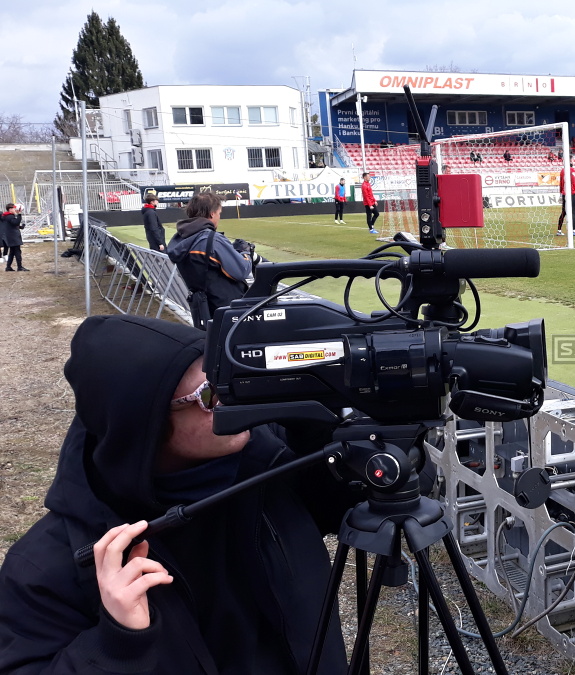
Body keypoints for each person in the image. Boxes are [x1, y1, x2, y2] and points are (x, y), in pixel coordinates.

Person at [0, 314, 354, 674]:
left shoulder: (272, 459)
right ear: (144, 423)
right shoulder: (47, 567)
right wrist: (117, 644)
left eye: (231, 381)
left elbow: (348, 507)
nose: (233, 403)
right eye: (209, 395)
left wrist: (322, 432)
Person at [166, 192, 253, 329]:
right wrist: (245, 252)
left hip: (202, 308)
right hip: (226, 309)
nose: (219, 217)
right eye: (219, 213)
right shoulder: (212, 239)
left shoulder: (180, 239)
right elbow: (242, 270)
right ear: (212, 214)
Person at [1, 203, 27, 271]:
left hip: (11, 237)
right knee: (17, 252)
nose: (15, 209)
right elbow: (16, 222)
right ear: (10, 209)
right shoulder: (9, 216)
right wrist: (19, 214)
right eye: (13, 208)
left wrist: (20, 227)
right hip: (13, 237)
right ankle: (20, 267)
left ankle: (8, 267)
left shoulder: (7, 216)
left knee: (12, 252)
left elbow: (12, 225)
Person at [556, 167, 575, 237]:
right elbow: (574, 183)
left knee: (563, 212)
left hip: (564, 194)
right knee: (573, 212)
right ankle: (574, 231)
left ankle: (559, 231)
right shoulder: (571, 171)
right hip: (571, 194)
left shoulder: (562, 171)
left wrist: (561, 193)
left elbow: (561, 183)